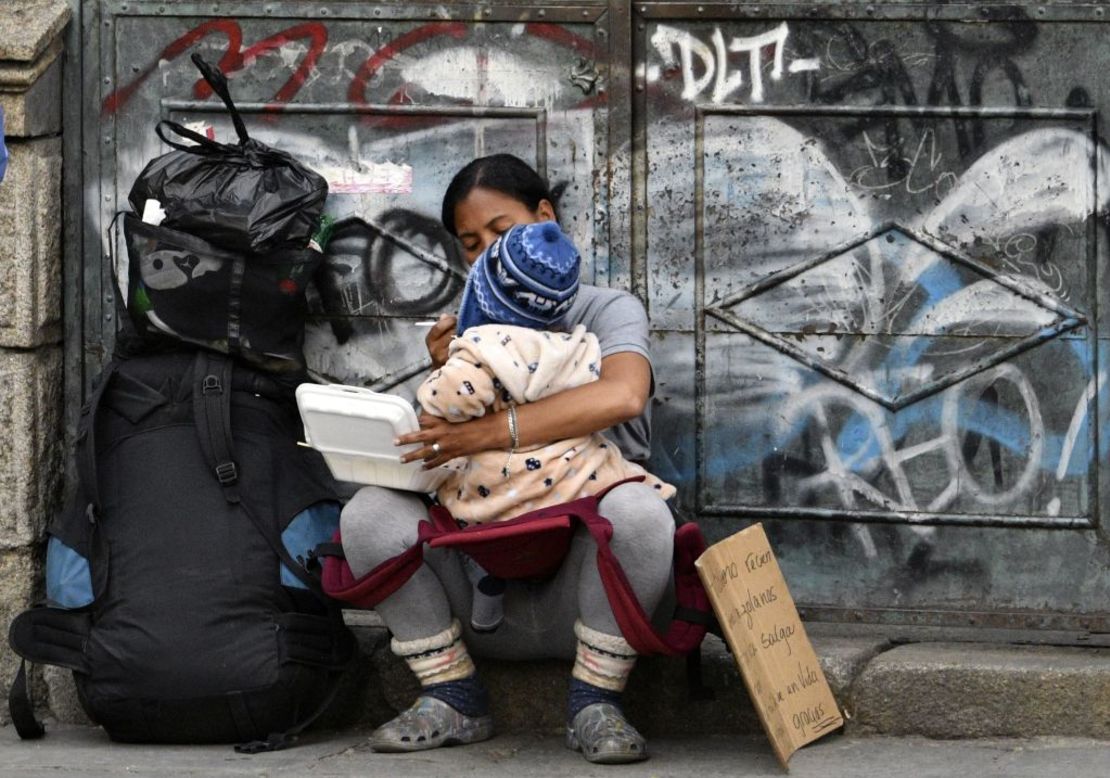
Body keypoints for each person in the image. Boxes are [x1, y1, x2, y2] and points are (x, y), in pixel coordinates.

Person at [340, 154, 676, 764]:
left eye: (500, 230)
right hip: (480, 596)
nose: (485, 251)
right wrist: (449, 373)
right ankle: (453, 695)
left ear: (544, 217)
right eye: (471, 243)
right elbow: (446, 450)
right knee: (367, 513)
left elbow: (623, 393)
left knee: (642, 511)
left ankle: (595, 704)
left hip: (587, 590)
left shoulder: (606, 310)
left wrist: (489, 431)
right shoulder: (468, 329)